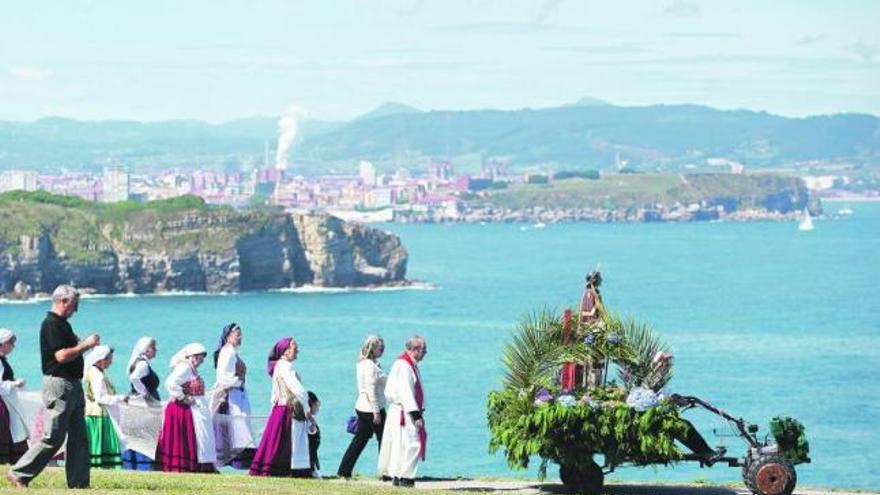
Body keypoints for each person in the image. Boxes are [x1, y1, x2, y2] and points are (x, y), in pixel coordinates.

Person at [7, 285, 100, 489]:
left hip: (71, 384)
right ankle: (19, 473)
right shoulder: (51, 324)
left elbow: (68, 351)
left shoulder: (62, 325)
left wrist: (79, 345)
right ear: (63, 301)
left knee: (79, 437)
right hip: (59, 383)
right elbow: (61, 356)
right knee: (53, 437)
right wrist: (86, 345)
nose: (75, 310)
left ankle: (79, 483)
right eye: (74, 305)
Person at [249, 338, 312, 477]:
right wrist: (307, 407)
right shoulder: (286, 366)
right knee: (287, 441)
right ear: (285, 351)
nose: (297, 352)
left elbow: (274, 392)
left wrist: (273, 408)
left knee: (275, 440)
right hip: (287, 408)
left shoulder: (279, 365)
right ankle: (286, 469)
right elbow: (297, 389)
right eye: (295, 349)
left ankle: (271, 468)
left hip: (280, 407)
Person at [154, 343, 217, 473]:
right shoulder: (185, 367)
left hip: (192, 409)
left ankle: (198, 465)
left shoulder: (191, 368)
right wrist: (183, 397)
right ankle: (185, 465)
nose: (202, 360)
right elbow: (170, 383)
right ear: (193, 356)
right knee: (185, 439)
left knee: (197, 438)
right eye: (201, 357)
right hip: (183, 409)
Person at [377, 335, 427, 488]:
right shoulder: (404, 366)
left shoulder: (407, 364)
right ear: (415, 350)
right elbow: (406, 392)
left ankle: (398, 474)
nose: (425, 353)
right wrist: (416, 415)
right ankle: (406, 476)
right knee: (412, 443)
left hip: (401, 409)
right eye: (423, 350)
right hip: (404, 410)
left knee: (400, 444)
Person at [337, 334, 387, 480]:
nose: (383, 350)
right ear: (372, 349)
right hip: (371, 408)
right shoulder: (370, 366)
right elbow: (370, 390)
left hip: (364, 407)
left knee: (360, 440)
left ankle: (344, 471)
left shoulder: (363, 363)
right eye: (380, 347)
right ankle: (386, 473)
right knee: (384, 439)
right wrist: (376, 412)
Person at [210, 322, 254, 466]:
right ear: (228, 337)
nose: (240, 337)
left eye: (241, 335)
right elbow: (223, 377)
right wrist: (238, 382)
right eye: (237, 335)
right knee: (238, 427)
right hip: (231, 395)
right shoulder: (227, 352)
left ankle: (243, 460)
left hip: (237, 394)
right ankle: (240, 460)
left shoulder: (231, 351)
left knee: (241, 426)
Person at [83, 345, 128, 469]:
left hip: (91, 413)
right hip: (100, 415)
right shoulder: (98, 375)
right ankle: (104, 466)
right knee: (104, 442)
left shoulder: (91, 371)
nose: (111, 362)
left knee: (94, 443)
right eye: (109, 359)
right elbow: (101, 398)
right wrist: (120, 398)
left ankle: (95, 465)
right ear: (102, 359)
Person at [122, 336, 161, 470]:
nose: (156, 350)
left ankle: (135, 464)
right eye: (153, 347)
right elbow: (135, 378)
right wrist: (145, 394)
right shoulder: (143, 364)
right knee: (146, 434)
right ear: (147, 350)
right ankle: (144, 466)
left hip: (139, 403)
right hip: (144, 405)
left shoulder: (140, 363)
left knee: (139, 435)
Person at [0, 329, 29, 465]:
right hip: (3, 404)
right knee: (7, 431)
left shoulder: (2, 360)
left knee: (12, 431)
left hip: (7, 402)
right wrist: (15, 383)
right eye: (11, 343)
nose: (13, 346)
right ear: (3, 343)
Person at [306, 391, 321, 478]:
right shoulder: (309, 421)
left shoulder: (308, 419)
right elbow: (312, 433)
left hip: (312, 455)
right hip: (311, 457)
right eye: (316, 405)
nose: (318, 408)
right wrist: (313, 424)